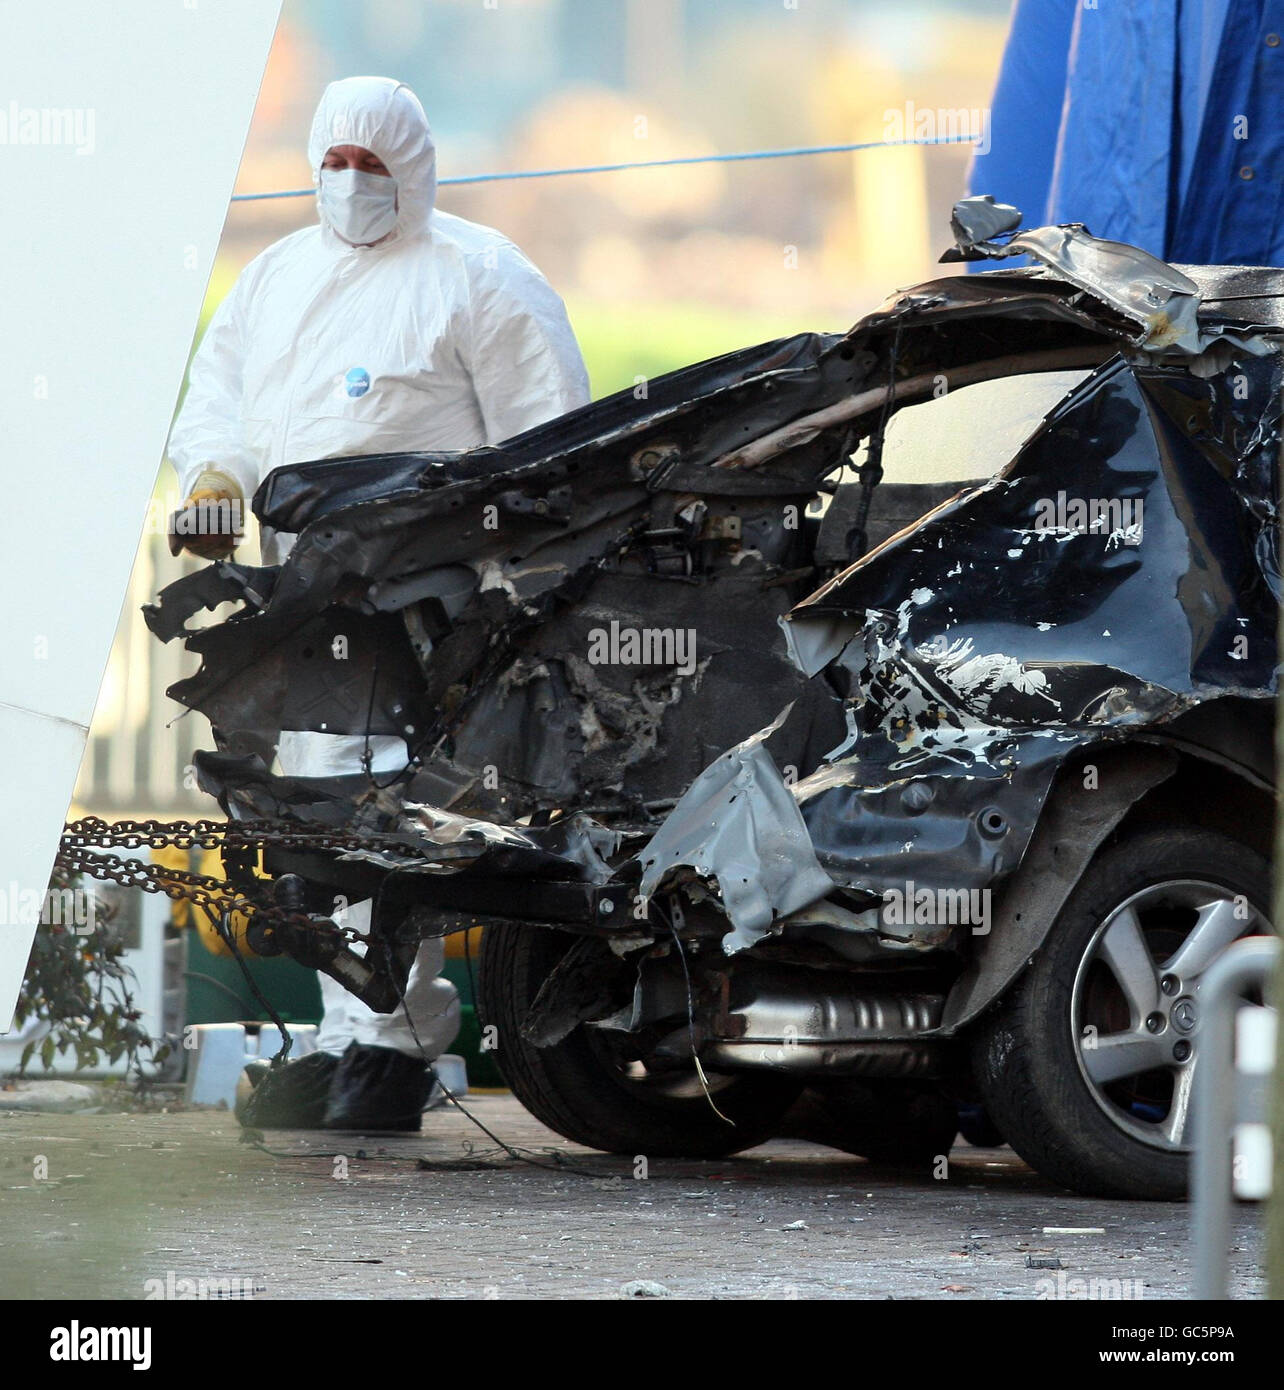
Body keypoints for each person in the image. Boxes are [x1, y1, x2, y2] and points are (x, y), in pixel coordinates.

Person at [167, 75, 591, 1130]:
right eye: (336, 164)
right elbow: (219, 401)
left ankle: (400, 1043)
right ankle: (343, 1035)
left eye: (374, 166)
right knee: (314, 826)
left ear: (417, 167)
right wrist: (214, 478)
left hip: (433, 617)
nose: (352, 185)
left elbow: (561, 449)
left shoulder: (480, 278)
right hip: (301, 606)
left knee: (401, 825)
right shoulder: (272, 278)